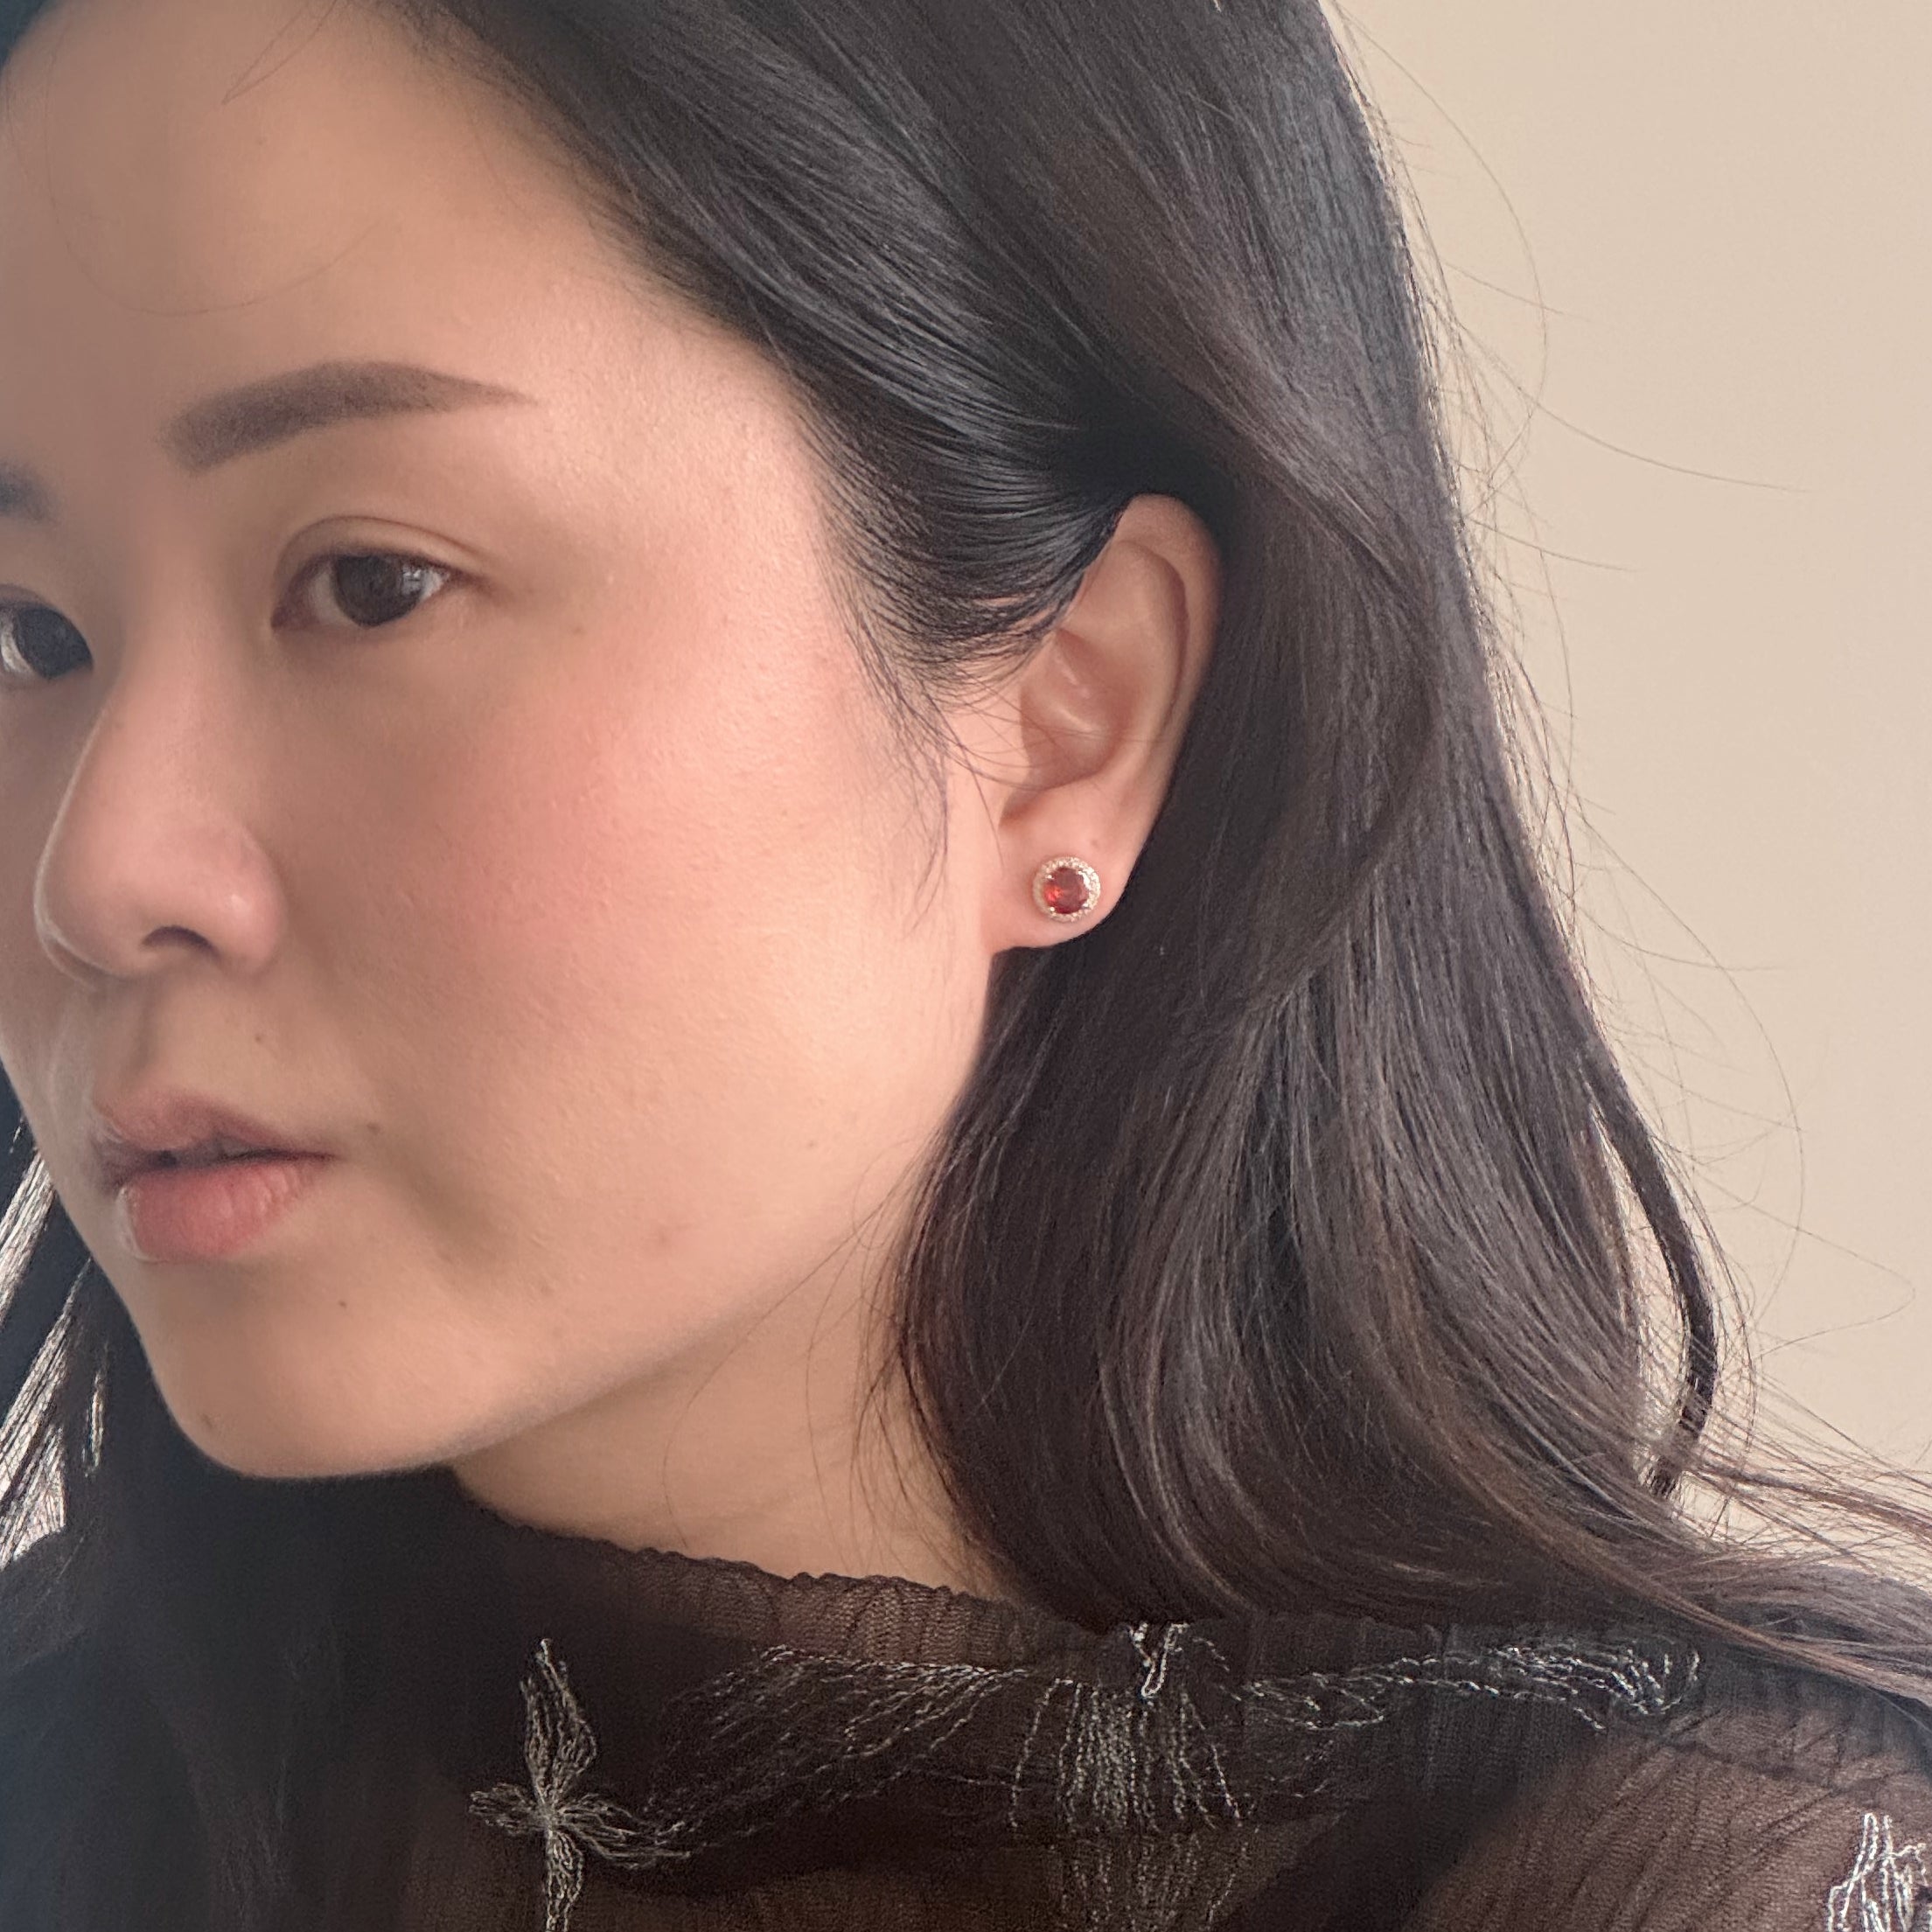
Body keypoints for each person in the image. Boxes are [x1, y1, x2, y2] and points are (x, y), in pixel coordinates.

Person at [0, 0, 1927, 1925]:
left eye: (374, 584)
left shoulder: (1689, 1883)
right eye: (24, 632)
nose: (97, 872)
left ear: (1073, 712)